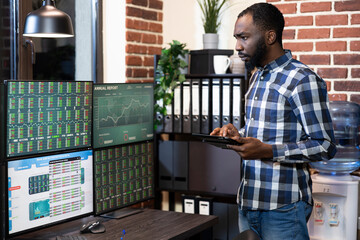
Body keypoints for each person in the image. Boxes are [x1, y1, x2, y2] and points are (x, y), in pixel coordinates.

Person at [210, 3, 337, 240]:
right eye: (236, 38)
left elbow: (325, 145)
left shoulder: (302, 79)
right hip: (248, 201)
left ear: (270, 36)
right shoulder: (257, 74)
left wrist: (267, 151)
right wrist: (237, 134)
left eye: (244, 37)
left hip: (283, 209)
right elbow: (266, 129)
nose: (237, 46)